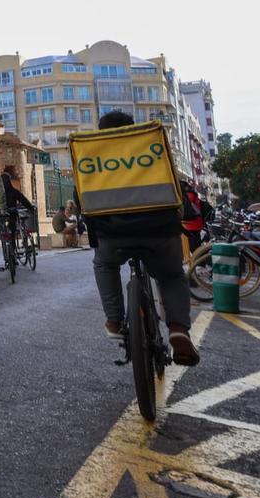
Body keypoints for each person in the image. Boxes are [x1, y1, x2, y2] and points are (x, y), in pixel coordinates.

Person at [85, 111, 199, 366]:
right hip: (159, 230)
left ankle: (114, 320)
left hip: (112, 233)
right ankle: (179, 330)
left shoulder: (90, 157)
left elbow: (83, 199)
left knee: (104, 265)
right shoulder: (153, 151)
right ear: (132, 129)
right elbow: (176, 191)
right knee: (170, 275)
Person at [0, 164, 37, 247]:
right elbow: (23, 200)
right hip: (12, 212)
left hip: (3, 214)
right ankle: (13, 246)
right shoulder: (13, 191)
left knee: (5, 229)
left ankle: (10, 246)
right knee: (12, 229)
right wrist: (30, 208)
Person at [180, 179, 205, 254]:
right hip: (194, 224)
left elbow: (186, 210)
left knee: (194, 248)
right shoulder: (192, 194)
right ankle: (199, 258)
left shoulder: (188, 195)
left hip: (191, 225)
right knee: (196, 246)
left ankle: (199, 259)